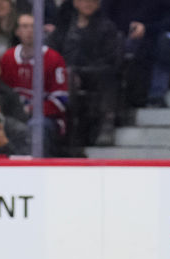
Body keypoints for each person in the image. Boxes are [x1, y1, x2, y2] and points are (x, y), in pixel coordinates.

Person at [48, 0, 122, 149]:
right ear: (75, 3)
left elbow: (110, 59)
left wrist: (81, 70)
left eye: (92, 1)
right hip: (67, 73)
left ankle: (106, 123)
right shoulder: (64, 27)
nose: (88, 3)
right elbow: (52, 53)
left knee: (107, 76)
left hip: (96, 73)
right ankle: (64, 128)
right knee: (64, 76)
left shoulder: (107, 28)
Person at [0, 13, 67, 152]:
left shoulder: (54, 58)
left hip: (46, 119)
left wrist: (30, 110)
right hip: (14, 116)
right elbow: (1, 93)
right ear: (17, 31)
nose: (29, 30)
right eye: (25, 26)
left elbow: (61, 100)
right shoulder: (7, 58)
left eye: (33, 26)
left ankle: (37, 163)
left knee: (36, 126)